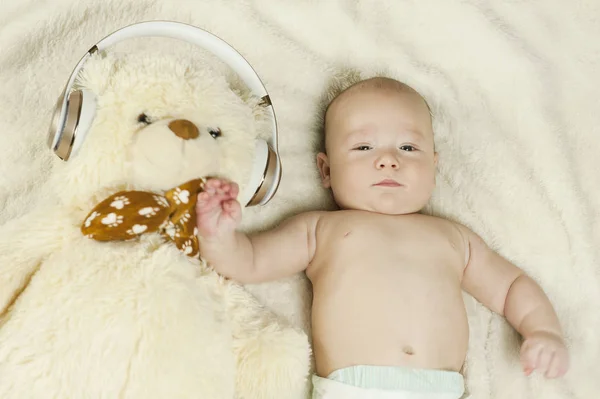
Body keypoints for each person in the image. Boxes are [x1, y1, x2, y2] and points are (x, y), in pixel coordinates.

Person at [195, 76, 569, 399]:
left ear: (434, 166)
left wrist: (542, 330)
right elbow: (250, 261)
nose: (389, 160)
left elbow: (510, 287)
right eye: (363, 147)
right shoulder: (320, 229)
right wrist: (218, 232)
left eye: (408, 147)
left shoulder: (454, 238)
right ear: (325, 170)